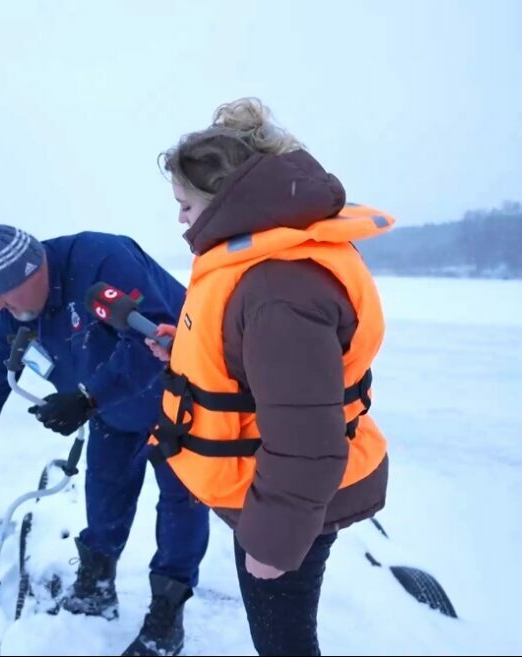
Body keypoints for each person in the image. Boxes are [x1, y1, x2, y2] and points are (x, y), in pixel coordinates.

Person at [144, 98, 392, 656]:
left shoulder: (279, 288)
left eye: (185, 204)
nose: (180, 218)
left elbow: (306, 436)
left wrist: (274, 544)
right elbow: (262, 370)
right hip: (267, 490)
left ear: (224, 201)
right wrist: (186, 352)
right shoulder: (259, 266)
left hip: (285, 499)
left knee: (284, 646)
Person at [0, 219, 210, 656]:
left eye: (5, 292)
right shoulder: (14, 317)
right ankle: (96, 586)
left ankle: (167, 614)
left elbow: (154, 337)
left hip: (180, 397)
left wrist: (86, 397)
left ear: (35, 271)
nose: (0, 305)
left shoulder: (102, 261)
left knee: (180, 503)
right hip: (112, 409)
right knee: (105, 493)